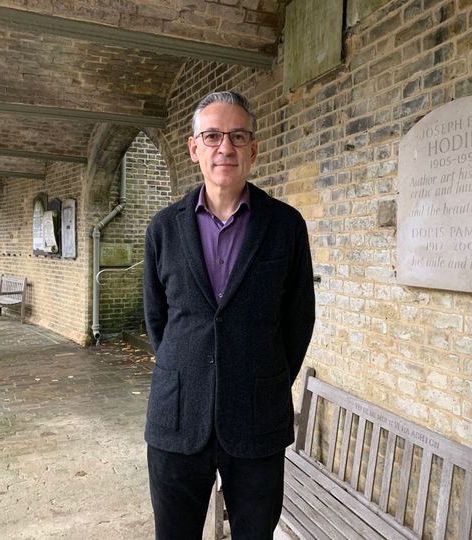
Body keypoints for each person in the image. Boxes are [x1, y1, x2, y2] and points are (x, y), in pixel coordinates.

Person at [143, 91, 315, 539]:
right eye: (213, 136)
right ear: (193, 147)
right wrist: (189, 369)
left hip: (257, 419)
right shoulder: (163, 228)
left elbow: (299, 320)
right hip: (178, 418)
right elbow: (157, 318)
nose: (226, 148)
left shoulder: (285, 226)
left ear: (253, 149)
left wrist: (266, 377)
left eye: (238, 136)